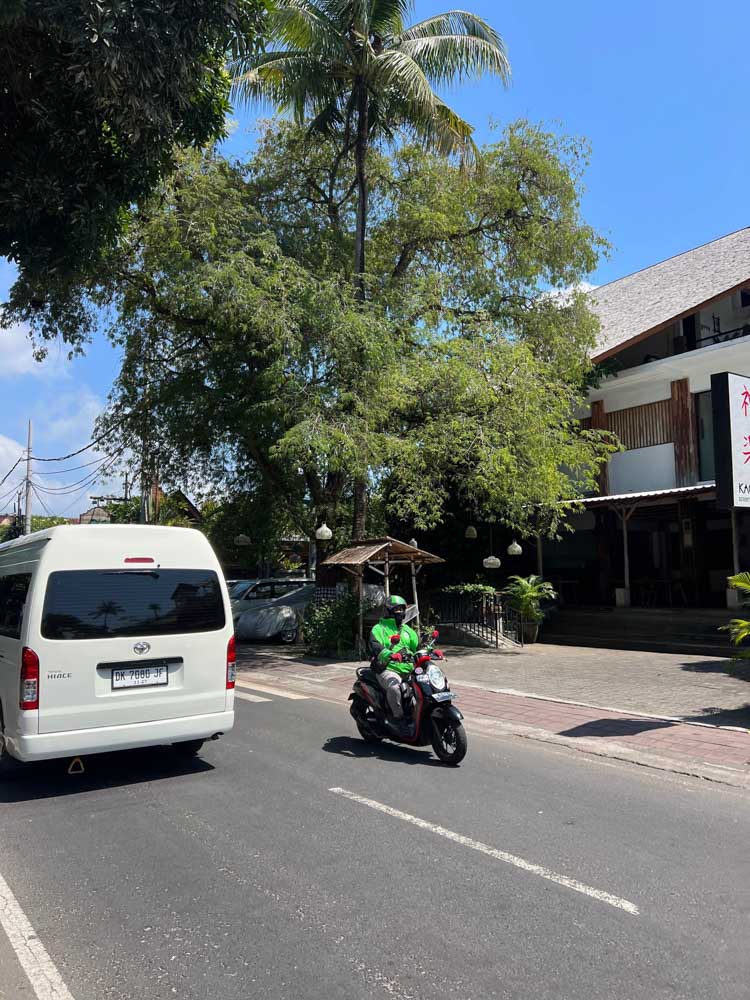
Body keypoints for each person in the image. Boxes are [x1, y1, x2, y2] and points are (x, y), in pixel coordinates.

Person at [369, 595, 419, 736]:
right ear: (389, 611)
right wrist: (389, 654)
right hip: (388, 668)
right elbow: (375, 647)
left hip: (409, 669)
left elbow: (418, 647)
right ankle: (399, 719)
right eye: (396, 609)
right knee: (395, 687)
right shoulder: (379, 629)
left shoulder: (409, 631)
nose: (400, 612)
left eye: (402, 609)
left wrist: (431, 651)